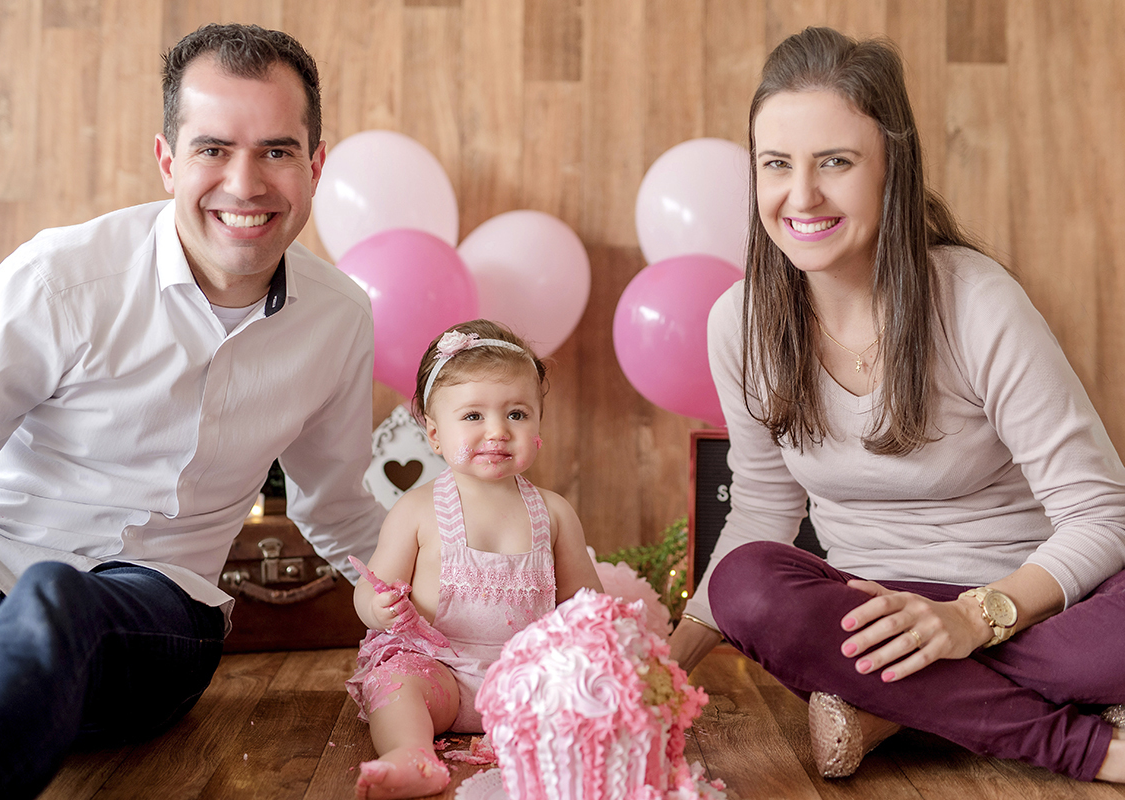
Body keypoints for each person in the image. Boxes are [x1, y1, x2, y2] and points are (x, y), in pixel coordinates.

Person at [0, 23, 386, 799]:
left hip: (157, 611)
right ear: (169, 160)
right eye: (214, 149)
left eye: (276, 150)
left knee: (56, 599)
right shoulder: (59, 278)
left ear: (315, 166)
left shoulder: (338, 318)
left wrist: (452, 615)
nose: (245, 184)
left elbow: (339, 507)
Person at [668, 26, 1125, 783]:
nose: (801, 196)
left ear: (892, 168)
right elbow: (761, 510)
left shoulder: (976, 303)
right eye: (777, 164)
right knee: (745, 583)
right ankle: (1090, 747)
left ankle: (890, 704)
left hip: (1025, 600)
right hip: (865, 616)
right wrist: (664, 664)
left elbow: (1102, 513)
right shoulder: (739, 323)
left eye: (836, 162)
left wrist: (973, 619)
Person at [346, 319, 604, 799]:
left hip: (527, 680)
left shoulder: (553, 513)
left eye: (517, 414)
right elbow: (371, 586)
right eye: (472, 416)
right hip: (438, 671)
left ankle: (573, 749)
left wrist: (589, 645)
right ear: (434, 433)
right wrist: (379, 608)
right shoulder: (416, 510)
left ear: (539, 424)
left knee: (592, 686)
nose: (498, 431)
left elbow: (584, 602)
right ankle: (410, 753)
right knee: (393, 682)